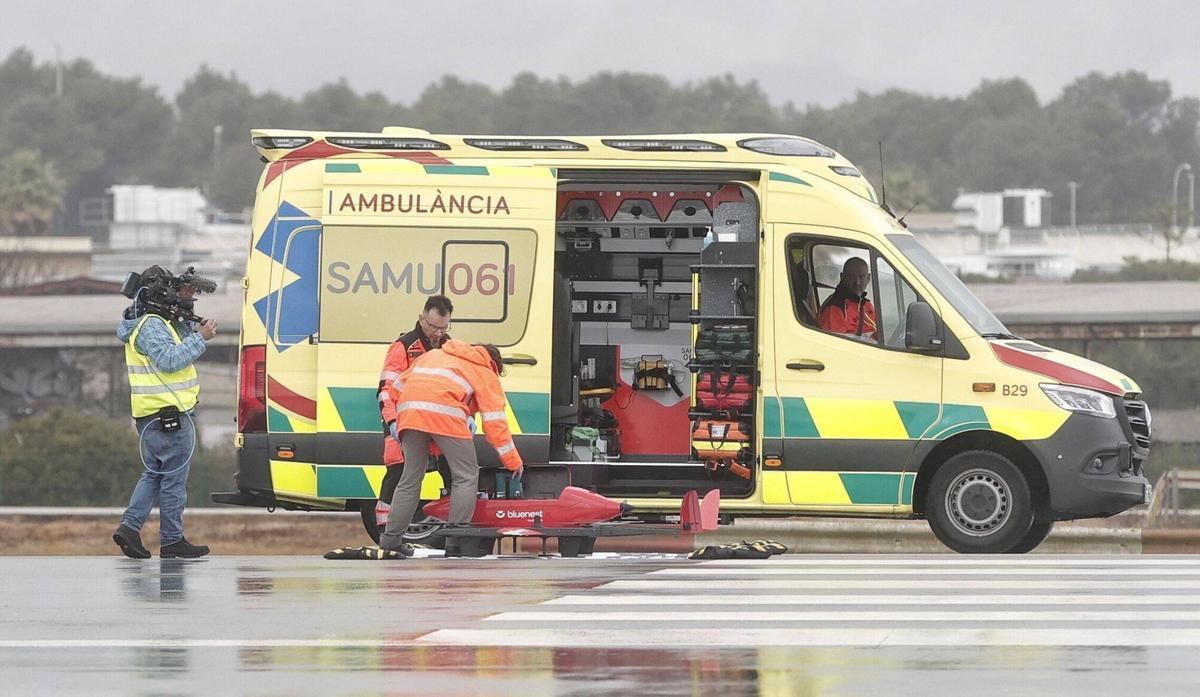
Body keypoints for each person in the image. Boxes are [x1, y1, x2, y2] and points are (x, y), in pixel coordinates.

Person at [379, 341, 524, 556]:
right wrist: (513, 461)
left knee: (410, 478)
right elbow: (495, 423)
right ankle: (456, 540)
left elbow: (396, 388)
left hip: (409, 415)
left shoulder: (435, 354)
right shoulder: (483, 369)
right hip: (445, 416)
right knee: (466, 475)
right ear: (494, 363)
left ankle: (391, 541)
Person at [113, 266, 216, 559]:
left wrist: (187, 320)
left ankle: (130, 528)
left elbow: (176, 342)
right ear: (157, 294)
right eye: (175, 292)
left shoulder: (150, 322)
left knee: (156, 473)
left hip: (154, 414)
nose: (184, 299)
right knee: (172, 479)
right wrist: (201, 337)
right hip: (167, 414)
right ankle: (171, 541)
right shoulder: (151, 325)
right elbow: (169, 360)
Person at [375, 295, 454, 535]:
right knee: (398, 472)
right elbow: (385, 390)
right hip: (405, 422)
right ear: (422, 319)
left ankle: (457, 529)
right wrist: (392, 422)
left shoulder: (449, 346)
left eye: (444, 327)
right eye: (433, 327)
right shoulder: (403, 346)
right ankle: (385, 533)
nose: (438, 333)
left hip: (437, 421)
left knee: (454, 471)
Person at [817, 256, 877, 341]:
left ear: (868, 278)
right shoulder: (833, 309)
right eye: (851, 277)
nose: (857, 282)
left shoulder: (866, 305)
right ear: (842, 277)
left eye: (861, 277)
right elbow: (840, 347)